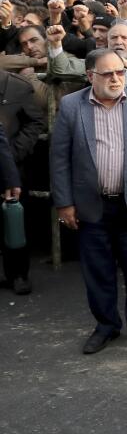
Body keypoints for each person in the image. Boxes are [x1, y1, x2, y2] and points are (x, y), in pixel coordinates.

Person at [50, 49, 127, 354]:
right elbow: (59, 158)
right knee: (98, 272)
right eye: (108, 74)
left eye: (120, 72)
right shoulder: (70, 106)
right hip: (91, 205)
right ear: (90, 76)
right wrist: (64, 204)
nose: (116, 79)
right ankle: (106, 326)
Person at [0, 67, 47, 295]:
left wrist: (14, 152)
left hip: (11, 165)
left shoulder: (16, 86)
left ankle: (18, 274)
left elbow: (35, 122)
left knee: (14, 220)